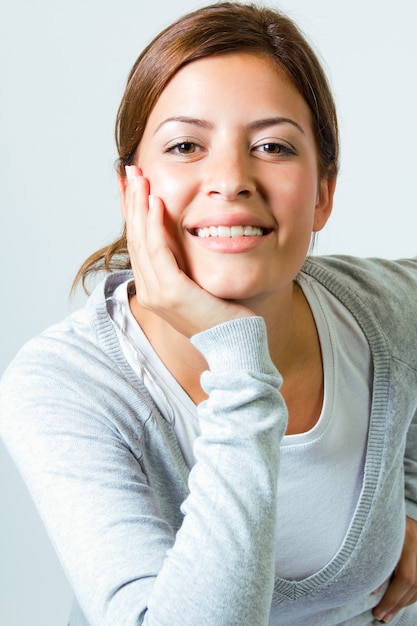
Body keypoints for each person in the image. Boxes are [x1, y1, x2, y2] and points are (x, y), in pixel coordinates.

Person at [1, 2, 417, 624]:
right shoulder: (64, 385)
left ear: (324, 191)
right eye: (187, 145)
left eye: (273, 145)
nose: (231, 179)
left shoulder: (375, 311)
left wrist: (408, 498)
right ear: (129, 189)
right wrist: (237, 364)